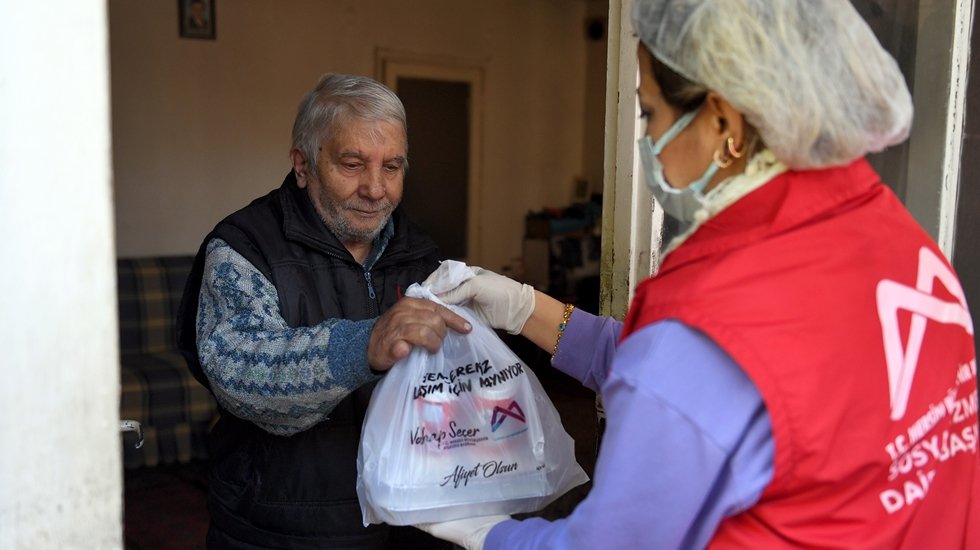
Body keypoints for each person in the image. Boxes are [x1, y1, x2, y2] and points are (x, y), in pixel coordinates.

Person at [414, 0, 980, 548]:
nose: (646, 141)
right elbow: (717, 400)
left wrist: (492, 535)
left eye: (651, 113)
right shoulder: (901, 243)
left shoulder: (716, 313)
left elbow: (686, 395)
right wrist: (524, 307)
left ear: (722, 120)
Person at [176, 73, 470, 549]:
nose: (376, 190)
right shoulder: (243, 248)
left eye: (392, 167)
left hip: (409, 522)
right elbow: (242, 376)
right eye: (352, 164)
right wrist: (364, 346)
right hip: (282, 529)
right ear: (303, 165)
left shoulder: (420, 252)